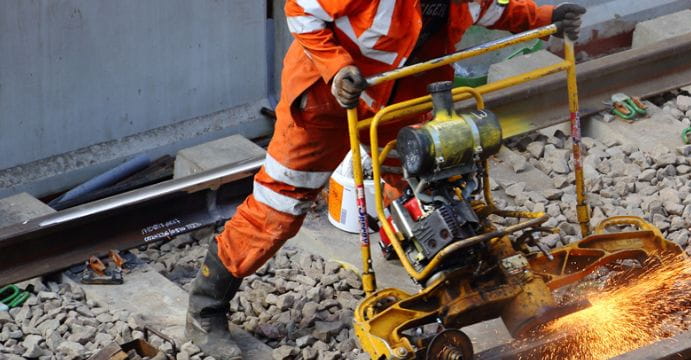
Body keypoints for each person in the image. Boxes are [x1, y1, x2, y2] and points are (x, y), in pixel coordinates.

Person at [185, 0, 585, 357]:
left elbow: (497, 10)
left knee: (427, 178)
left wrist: (548, 17)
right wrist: (337, 68)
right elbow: (301, 10)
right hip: (328, 99)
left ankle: (424, 252)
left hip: (400, 97)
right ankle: (206, 308)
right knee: (280, 205)